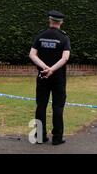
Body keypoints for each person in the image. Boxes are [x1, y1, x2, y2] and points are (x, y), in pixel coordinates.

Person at [29, 10, 71, 145]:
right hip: (58, 78)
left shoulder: (40, 36)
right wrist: (51, 69)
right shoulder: (64, 38)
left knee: (41, 106)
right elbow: (65, 58)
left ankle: (40, 136)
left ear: (50, 20)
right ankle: (57, 138)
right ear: (61, 22)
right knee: (58, 107)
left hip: (42, 76)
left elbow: (32, 55)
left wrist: (44, 68)